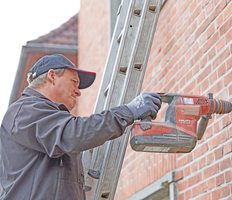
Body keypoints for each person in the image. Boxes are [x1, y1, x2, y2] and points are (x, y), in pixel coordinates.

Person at [0, 54, 161, 200]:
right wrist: (129, 111)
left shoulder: (45, 120)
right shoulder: (26, 111)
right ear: (52, 76)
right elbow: (73, 134)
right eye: (74, 82)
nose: (78, 92)